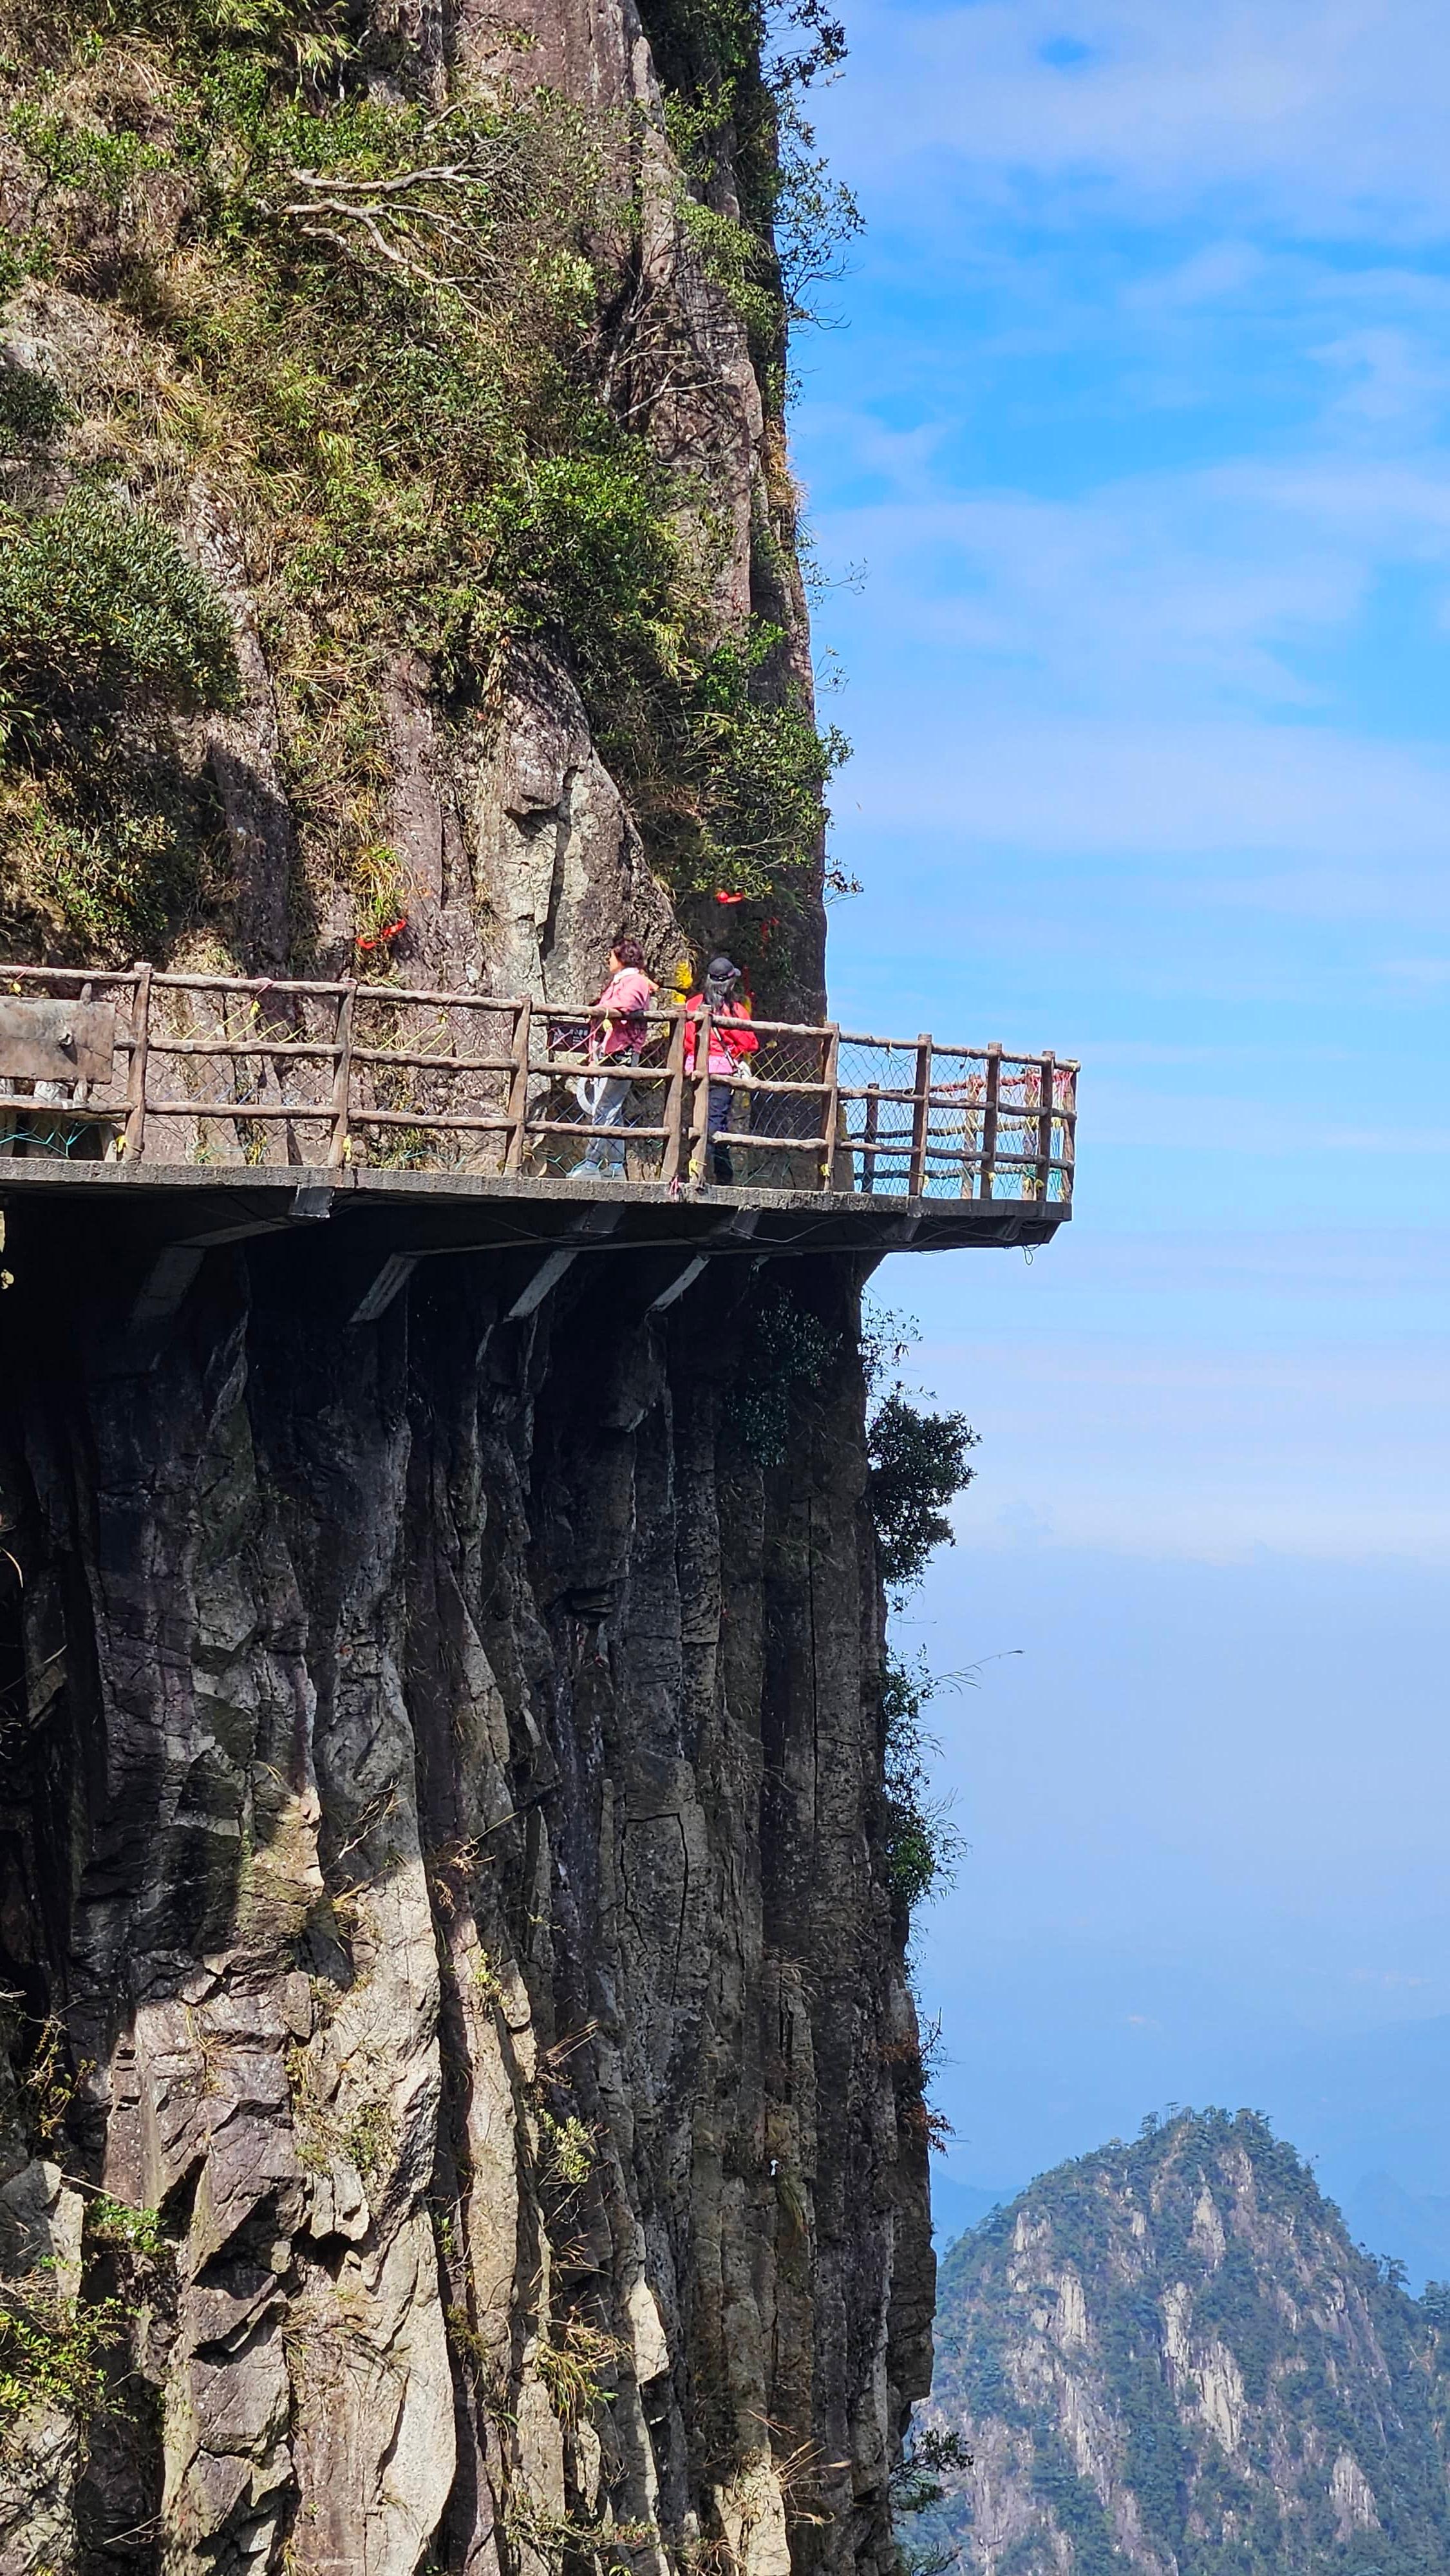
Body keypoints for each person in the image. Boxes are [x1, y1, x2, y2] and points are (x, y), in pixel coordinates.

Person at [578, 937, 657, 1177]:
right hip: (611, 1050)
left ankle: (591, 1164)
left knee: (606, 1108)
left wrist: (604, 1010)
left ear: (622, 959)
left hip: (623, 1051)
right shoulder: (624, 981)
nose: (608, 960)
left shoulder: (634, 982)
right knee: (613, 1110)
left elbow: (626, 1004)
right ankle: (615, 1166)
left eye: (612, 956)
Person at [684, 954, 758, 1181]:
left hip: (695, 1067)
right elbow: (750, 1042)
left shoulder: (693, 1004)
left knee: (701, 1118)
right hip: (722, 1071)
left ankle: (720, 1174)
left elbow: (686, 1039)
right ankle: (702, 1173)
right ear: (729, 984)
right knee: (715, 1122)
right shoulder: (733, 1011)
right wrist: (733, 1047)